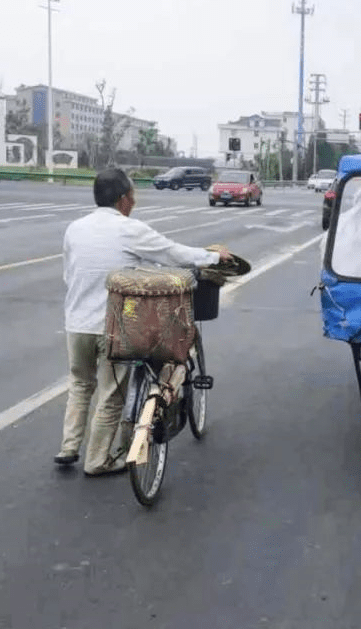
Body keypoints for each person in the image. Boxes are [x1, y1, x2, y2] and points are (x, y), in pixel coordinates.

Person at [56, 168, 231, 475]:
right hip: (111, 326)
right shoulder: (129, 230)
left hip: (76, 322)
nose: (134, 201)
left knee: (81, 384)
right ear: (123, 199)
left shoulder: (75, 228)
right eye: (133, 195)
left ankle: (69, 447)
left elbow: (69, 275)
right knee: (112, 397)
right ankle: (97, 461)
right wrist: (215, 257)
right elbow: (173, 254)